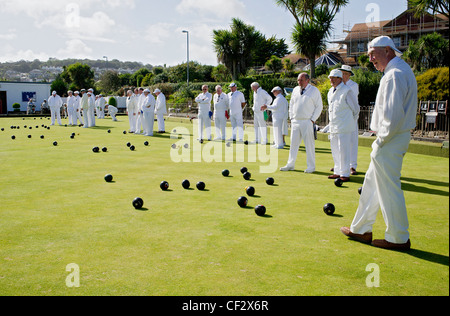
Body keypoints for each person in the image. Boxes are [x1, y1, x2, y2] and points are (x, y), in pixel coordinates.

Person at [341, 36, 417, 250]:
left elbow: (393, 116)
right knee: (372, 185)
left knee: (389, 189)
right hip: (392, 138)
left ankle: (399, 237)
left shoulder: (394, 75)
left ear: (388, 51)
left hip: (390, 139)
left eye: (374, 54)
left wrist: (381, 141)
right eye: (369, 55)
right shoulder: (398, 71)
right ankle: (360, 228)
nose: (371, 59)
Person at [280, 73, 323, 173]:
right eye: (298, 80)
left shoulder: (314, 90)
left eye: (301, 80)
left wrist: (312, 120)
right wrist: (292, 118)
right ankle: (290, 164)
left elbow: (319, 106)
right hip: (296, 121)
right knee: (293, 144)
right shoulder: (295, 89)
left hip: (307, 121)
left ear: (307, 80)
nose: (299, 82)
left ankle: (311, 167)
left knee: (309, 145)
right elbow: (291, 104)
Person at [327, 69, 360, 182]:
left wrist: (349, 121)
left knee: (344, 150)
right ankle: (337, 171)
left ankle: (345, 173)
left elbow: (356, 109)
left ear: (340, 79)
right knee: (335, 150)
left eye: (334, 77)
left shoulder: (347, 91)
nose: (331, 79)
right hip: (334, 126)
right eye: (330, 77)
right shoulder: (330, 91)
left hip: (344, 126)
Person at [339, 65, 360, 175]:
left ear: (350, 75)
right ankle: (340, 165)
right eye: (342, 73)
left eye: (346, 74)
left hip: (351, 116)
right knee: (340, 141)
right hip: (341, 117)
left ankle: (352, 166)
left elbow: (351, 100)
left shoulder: (354, 85)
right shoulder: (338, 85)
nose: (344, 76)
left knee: (352, 141)